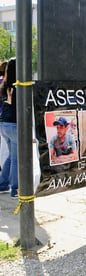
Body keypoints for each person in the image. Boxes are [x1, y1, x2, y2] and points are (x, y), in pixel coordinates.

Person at [0, 58, 17, 197]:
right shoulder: (19, 86)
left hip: (4, 124)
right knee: (16, 158)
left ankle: (3, 183)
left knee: (11, 157)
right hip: (14, 124)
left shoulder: (4, 86)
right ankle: (15, 189)